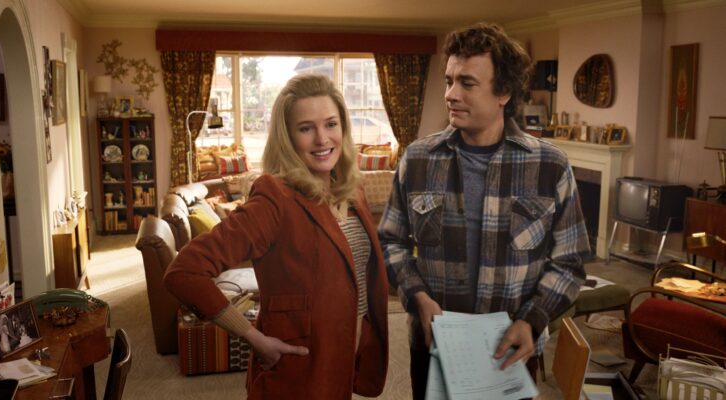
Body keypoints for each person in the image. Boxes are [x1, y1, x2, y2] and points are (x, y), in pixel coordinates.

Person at [378, 22, 590, 399]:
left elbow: (570, 261)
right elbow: (391, 242)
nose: (451, 94)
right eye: (449, 81)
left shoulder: (550, 166)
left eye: (467, 83)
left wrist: (533, 319)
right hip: (434, 345)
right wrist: (417, 297)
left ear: (504, 91)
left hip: (511, 349)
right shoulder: (418, 159)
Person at [164, 74, 388, 399]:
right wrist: (252, 337)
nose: (322, 139)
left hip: (345, 360)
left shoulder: (352, 189)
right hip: (298, 372)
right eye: (306, 128)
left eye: (331, 124)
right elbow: (184, 272)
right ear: (287, 137)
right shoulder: (275, 198)